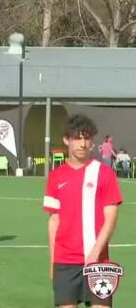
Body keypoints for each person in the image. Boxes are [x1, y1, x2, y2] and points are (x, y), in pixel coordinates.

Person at [43, 114, 122, 308]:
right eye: (77, 138)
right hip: (65, 263)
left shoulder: (105, 173)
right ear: (66, 140)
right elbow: (54, 221)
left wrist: (95, 253)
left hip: (98, 261)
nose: (83, 143)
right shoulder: (55, 176)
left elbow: (110, 218)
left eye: (87, 138)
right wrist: (53, 262)